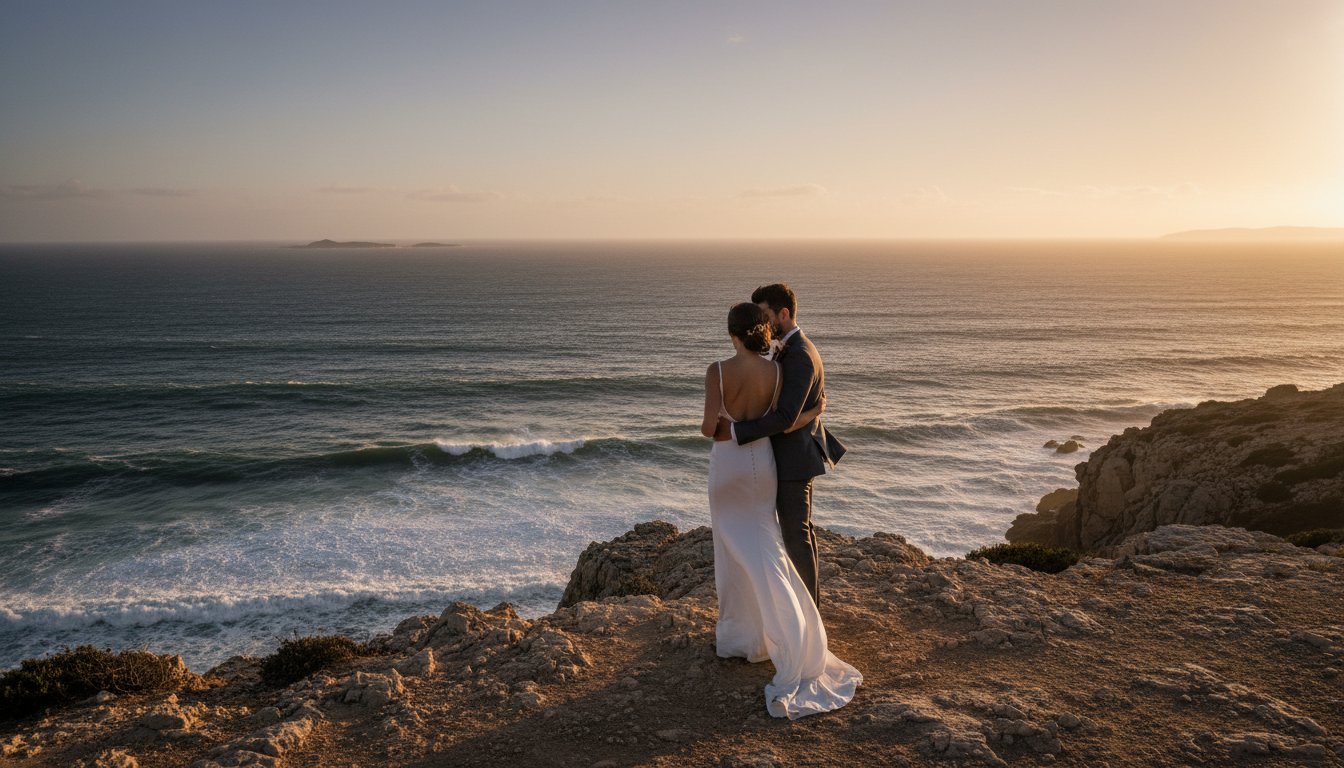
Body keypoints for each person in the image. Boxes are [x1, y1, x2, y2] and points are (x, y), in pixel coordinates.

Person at [700, 302, 861, 719]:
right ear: (761, 330)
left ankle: (751, 639)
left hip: (729, 464)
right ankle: (759, 636)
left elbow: (706, 428)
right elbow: (782, 419)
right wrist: (814, 411)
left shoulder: (717, 370)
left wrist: (726, 426)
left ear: (732, 334)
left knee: (731, 550)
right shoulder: (775, 370)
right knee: (764, 544)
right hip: (763, 464)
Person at [718, 283, 846, 608]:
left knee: (796, 537)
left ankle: (809, 620)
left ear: (783, 314)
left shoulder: (801, 355)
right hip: (792, 456)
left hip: (794, 460)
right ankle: (809, 614)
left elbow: (787, 417)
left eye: (765, 315)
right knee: (801, 533)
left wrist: (738, 431)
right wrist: (815, 412)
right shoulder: (786, 348)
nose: (760, 323)